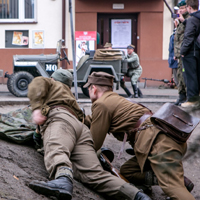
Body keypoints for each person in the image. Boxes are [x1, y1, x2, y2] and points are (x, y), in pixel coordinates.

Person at [27, 69, 151, 200]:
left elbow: (37, 81)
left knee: (57, 149)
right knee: (95, 174)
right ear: (69, 86)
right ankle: (137, 195)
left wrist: (36, 109)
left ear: (52, 79)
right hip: (80, 129)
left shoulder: (51, 84)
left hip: (60, 119)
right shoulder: (69, 96)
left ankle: (62, 180)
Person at [83, 71, 195, 200]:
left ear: (94, 88)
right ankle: (164, 177)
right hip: (164, 138)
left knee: (173, 188)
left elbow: (94, 144)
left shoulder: (101, 104)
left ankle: (173, 180)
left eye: (89, 88)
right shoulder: (116, 100)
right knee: (128, 171)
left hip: (158, 142)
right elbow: (93, 119)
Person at [180, 0, 200, 108]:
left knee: (191, 76)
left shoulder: (192, 19)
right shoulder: (198, 18)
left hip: (190, 52)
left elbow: (188, 37)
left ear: (189, 7)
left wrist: (182, 51)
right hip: (198, 51)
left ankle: (192, 100)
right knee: (197, 76)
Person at [174, 0, 190, 105]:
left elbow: (188, 35)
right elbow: (177, 39)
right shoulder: (181, 21)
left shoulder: (189, 19)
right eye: (179, 9)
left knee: (185, 75)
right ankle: (181, 95)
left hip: (186, 52)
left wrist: (183, 21)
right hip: (179, 53)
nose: (180, 11)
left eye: (182, 9)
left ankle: (187, 96)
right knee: (179, 75)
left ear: (187, 8)